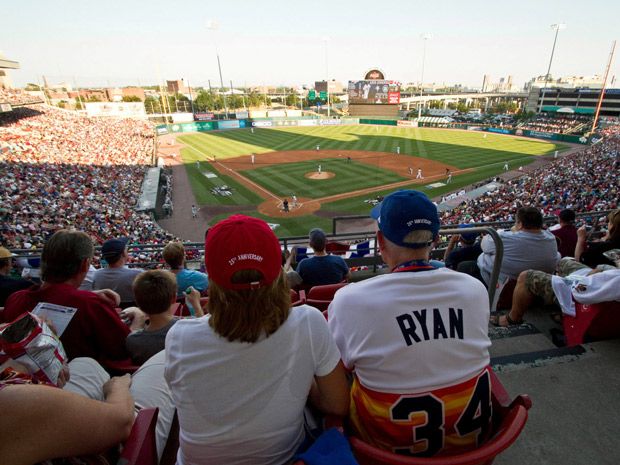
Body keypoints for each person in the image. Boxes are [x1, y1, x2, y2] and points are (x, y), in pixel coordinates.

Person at [164, 215, 349, 464]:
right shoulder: (308, 321)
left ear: (211, 276)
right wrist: (301, 378)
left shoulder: (179, 336)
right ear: (277, 270)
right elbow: (337, 405)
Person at [328, 190, 492, 457]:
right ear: (435, 239)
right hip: (472, 454)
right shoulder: (474, 289)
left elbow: (338, 371)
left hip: (381, 457)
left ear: (380, 240)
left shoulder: (350, 300)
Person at [2, 230, 131, 362]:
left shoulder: (15, 299)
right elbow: (125, 349)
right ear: (85, 265)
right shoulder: (90, 305)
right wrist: (138, 317)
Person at [491, 257, 619, 326]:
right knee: (564, 262)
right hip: (605, 277)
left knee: (526, 276)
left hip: (586, 289)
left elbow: (583, 288)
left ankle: (512, 319)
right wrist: (602, 268)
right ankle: (558, 306)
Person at [125, 270, 203, 365]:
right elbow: (203, 328)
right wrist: (196, 304)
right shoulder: (189, 327)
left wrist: (137, 317)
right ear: (174, 298)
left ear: (138, 303)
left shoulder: (133, 341)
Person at [474, 206, 560, 286]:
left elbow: (484, 245)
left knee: (468, 264)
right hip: (539, 281)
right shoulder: (551, 237)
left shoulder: (507, 238)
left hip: (506, 281)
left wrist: (508, 230)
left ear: (520, 224)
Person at [93, 237, 142, 306]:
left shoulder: (96, 274)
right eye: (126, 250)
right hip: (132, 313)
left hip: (107, 312)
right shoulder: (138, 274)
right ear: (123, 254)